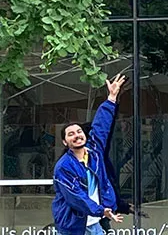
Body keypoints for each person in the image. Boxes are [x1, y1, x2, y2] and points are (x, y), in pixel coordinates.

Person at [53, 74, 128, 235]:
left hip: (95, 222)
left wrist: (112, 98)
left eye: (79, 131)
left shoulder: (94, 153)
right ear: (65, 142)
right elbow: (77, 197)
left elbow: (101, 126)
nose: (77, 135)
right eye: (71, 134)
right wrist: (101, 210)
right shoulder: (64, 167)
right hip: (73, 226)